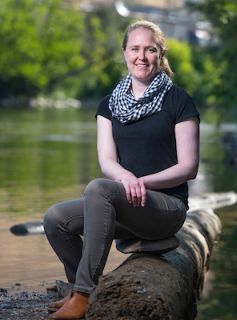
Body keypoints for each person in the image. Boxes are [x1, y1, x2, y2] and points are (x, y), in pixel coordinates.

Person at [44, 20, 199, 319]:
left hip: (165, 206)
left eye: (150, 49)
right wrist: (126, 179)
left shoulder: (179, 100)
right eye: (135, 48)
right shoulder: (108, 105)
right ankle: (80, 288)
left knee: (99, 188)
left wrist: (139, 181)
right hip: (127, 202)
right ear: (125, 53)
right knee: (56, 219)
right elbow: (107, 160)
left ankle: (84, 296)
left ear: (160, 54)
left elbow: (188, 167)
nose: (142, 56)